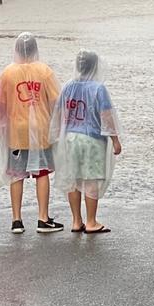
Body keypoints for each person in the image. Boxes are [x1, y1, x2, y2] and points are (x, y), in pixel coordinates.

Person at [0, 32, 63, 234]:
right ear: (35, 49)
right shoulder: (44, 71)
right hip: (40, 130)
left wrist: (0, 129)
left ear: (16, 50)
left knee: (17, 174)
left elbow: (1, 105)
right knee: (41, 172)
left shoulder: (7, 73)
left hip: (16, 131)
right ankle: (43, 218)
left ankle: (17, 219)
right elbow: (56, 102)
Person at [52, 50, 122, 234]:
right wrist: (115, 140)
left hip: (69, 138)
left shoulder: (68, 86)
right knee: (90, 180)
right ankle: (91, 222)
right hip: (91, 139)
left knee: (73, 180)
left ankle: (76, 221)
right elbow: (106, 115)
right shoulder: (98, 88)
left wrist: (57, 136)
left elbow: (59, 112)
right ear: (95, 66)